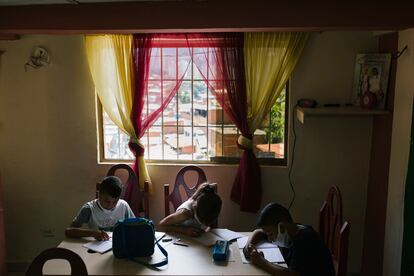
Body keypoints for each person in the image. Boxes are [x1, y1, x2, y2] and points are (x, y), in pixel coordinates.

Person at [243, 203, 335, 276]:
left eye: (270, 233)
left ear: (281, 227)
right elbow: (258, 232)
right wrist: (249, 245)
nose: (270, 238)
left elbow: (292, 274)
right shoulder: (293, 229)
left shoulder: (304, 241)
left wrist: (262, 262)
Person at [65, 176, 135, 241]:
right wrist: (93, 233)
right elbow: (69, 231)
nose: (110, 205)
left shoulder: (123, 206)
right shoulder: (89, 209)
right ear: (99, 194)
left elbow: (135, 226)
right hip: (97, 248)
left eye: (115, 202)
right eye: (107, 201)